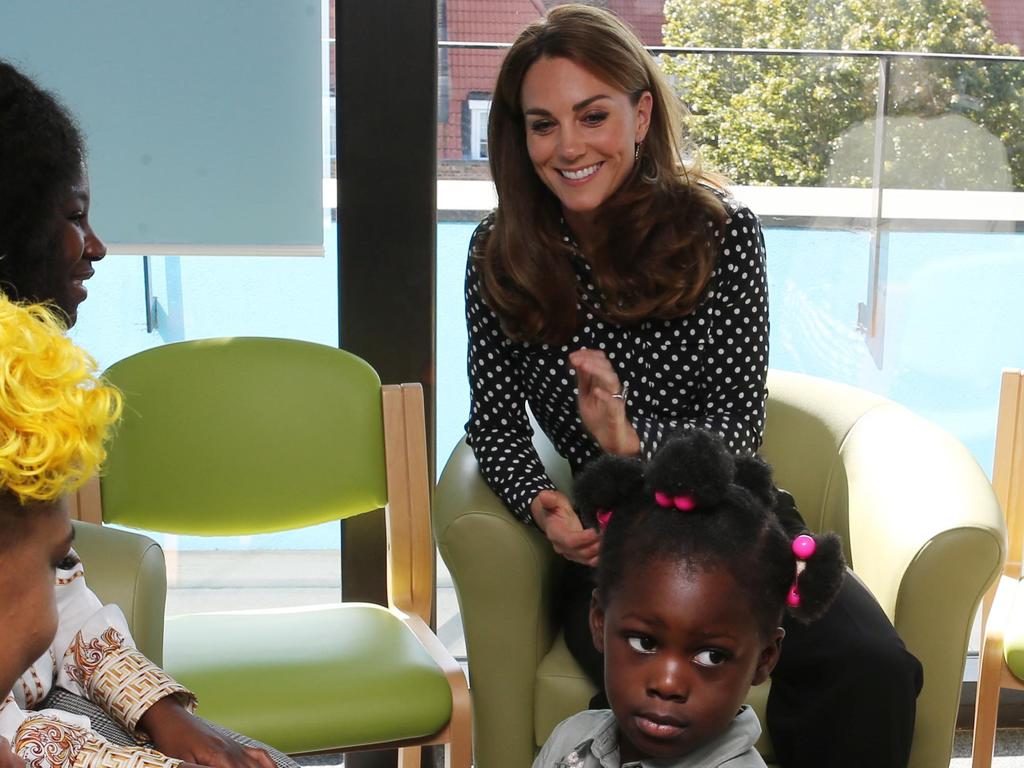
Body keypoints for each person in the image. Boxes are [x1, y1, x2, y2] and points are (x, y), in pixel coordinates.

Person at [464, 5, 923, 767]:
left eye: (593, 115)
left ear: (641, 113)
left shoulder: (721, 233)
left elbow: (738, 424)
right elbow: (495, 426)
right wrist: (542, 506)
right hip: (613, 545)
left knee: (871, 666)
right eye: (543, 124)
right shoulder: (497, 252)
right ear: (520, 136)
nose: (568, 146)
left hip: (739, 524)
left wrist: (629, 444)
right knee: (649, 700)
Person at [0, 60, 291, 768]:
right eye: (73, 217)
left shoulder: (21, 402)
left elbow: (57, 596)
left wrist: (165, 717)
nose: (95, 246)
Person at [533, 430, 846, 768]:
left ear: (764, 659)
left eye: (712, 656)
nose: (668, 684)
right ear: (598, 621)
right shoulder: (571, 739)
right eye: (644, 642)